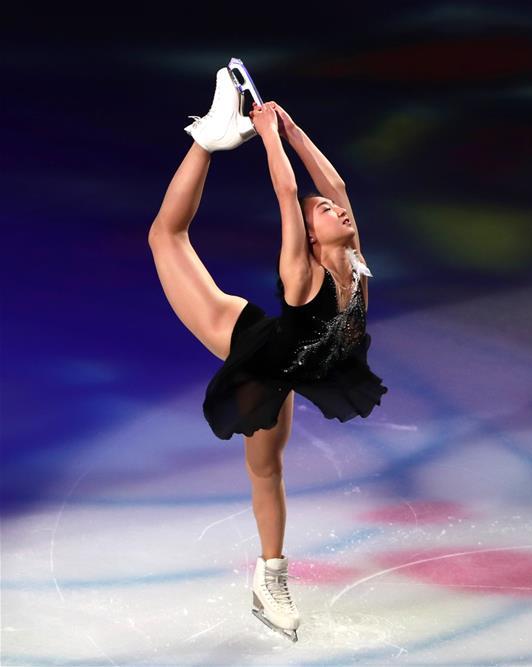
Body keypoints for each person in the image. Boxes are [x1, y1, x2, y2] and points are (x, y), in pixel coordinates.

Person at [147, 66, 388, 642]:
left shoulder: (355, 265)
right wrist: (268, 138)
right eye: (323, 213)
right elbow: (286, 193)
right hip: (249, 347)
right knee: (165, 237)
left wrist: (292, 129)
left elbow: (337, 185)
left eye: (333, 210)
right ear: (310, 238)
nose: (338, 212)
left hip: (294, 364)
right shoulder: (302, 273)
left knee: (268, 468)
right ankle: (207, 139)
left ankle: (266, 578)